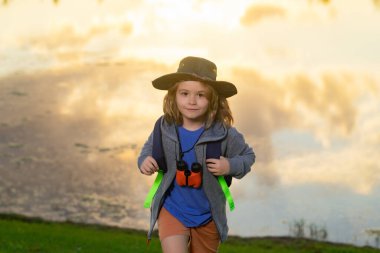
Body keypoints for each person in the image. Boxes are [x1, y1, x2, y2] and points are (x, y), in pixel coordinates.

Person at [138, 56, 255, 253]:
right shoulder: (163, 126)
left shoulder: (224, 133)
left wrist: (229, 166)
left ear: (213, 100)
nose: (192, 101)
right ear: (174, 96)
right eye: (184, 93)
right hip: (172, 208)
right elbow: (148, 148)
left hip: (207, 216)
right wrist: (144, 161)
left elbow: (247, 156)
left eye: (201, 95)